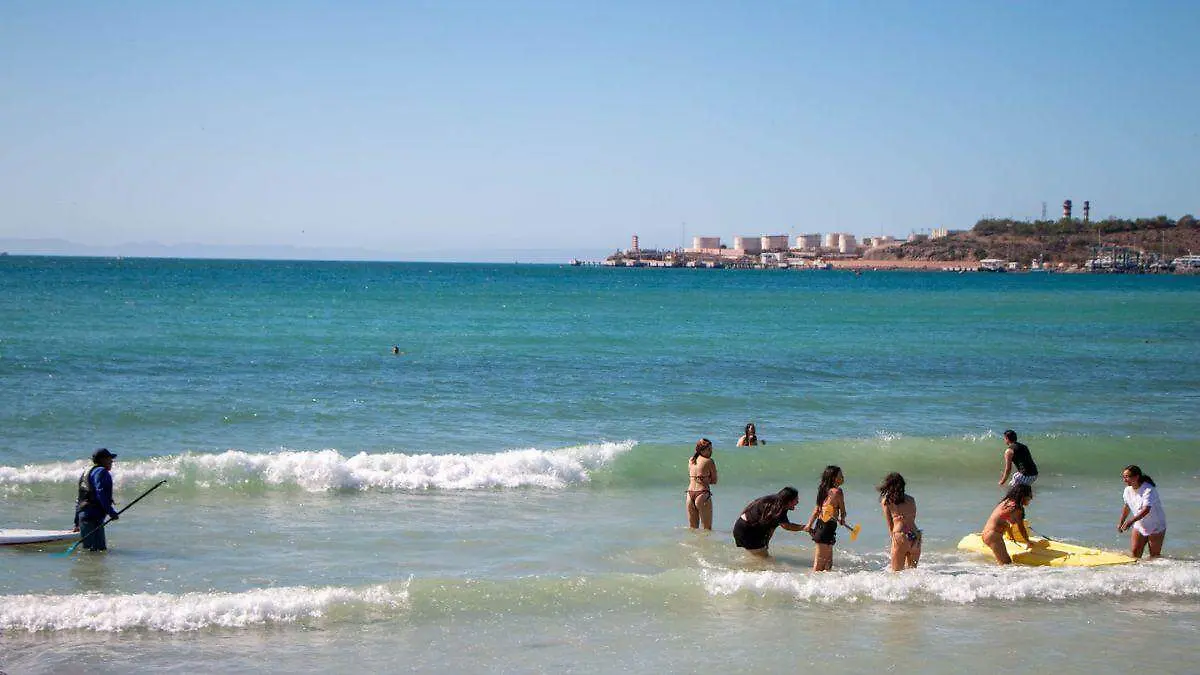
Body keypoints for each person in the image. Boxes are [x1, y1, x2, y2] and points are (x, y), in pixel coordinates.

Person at [732, 486, 806, 557]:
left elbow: (771, 527)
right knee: (764, 558)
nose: (797, 502)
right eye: (796, 500)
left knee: (758, 555)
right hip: (748, 531)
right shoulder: (778, 508)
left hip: (741, 526)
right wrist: (804, 527)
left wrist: (766, 543)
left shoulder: (775, 501)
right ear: (789, 501)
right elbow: (786, 526)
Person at [75, 448, 120, 552]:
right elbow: (101, 493)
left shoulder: (86, 472)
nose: (112, 462)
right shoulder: (102, 472)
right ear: (103, 460)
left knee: (89, 551)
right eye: (109, 459)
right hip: (93, 517)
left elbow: (79, 499)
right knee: (99, 551)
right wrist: (111, 512)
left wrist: (76, 522)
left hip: (83, 516)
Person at [1118, 465, 1167, 559]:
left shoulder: (1148, 490)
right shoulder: (1127, 490)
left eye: (1127, 477)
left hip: (1156, 525)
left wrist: (1130, 521)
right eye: (1123, 477)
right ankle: (1138, 572)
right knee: (1135, 554)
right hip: (1140, 524)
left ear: (1136, 477)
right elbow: (1127, 506)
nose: (1124, 480)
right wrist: (1121, 522)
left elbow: (1146, 510)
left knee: (1154, 556)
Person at [980, 483, 1036, 565]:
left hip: (987, 534)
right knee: (1006, 565)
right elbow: (1021, 528)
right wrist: (1028, 542)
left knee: (1003, 563)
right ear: (1023, 496)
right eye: (1029, 495)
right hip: (994, 537)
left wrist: (1011, 535)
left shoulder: (1005, 503)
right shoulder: (1016, 509)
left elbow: (1004, 521)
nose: (1031, 498)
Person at [805, 465, 847, 572]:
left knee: (824, 564)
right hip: (827, 527)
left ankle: (823, 586)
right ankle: (812, 586)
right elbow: (843, 510)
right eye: (840, 475)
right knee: (823, 565)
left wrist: (809, 525)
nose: (843, 477)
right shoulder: (838, 492)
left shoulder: (823, 491)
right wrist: (842, 519)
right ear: (833, 478)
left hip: (822, 526)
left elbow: (817, 510)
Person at [878, 472, 921, 571]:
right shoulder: (911, 499)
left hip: (900, 535)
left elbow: (890, 525)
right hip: (915, 535)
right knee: (912, 573)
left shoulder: (887, 501)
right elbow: (912, 518)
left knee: (896, 574)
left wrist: (893, 540)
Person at [685, 438, 718, 530]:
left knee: (692, 528)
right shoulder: (709, 461)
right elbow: (714, 481)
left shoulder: (691, 460)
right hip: (702, 494)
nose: (711, 452)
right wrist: (707, 479)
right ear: (702, 450)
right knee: (707, 529)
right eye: (709, 449)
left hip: (689, 494)